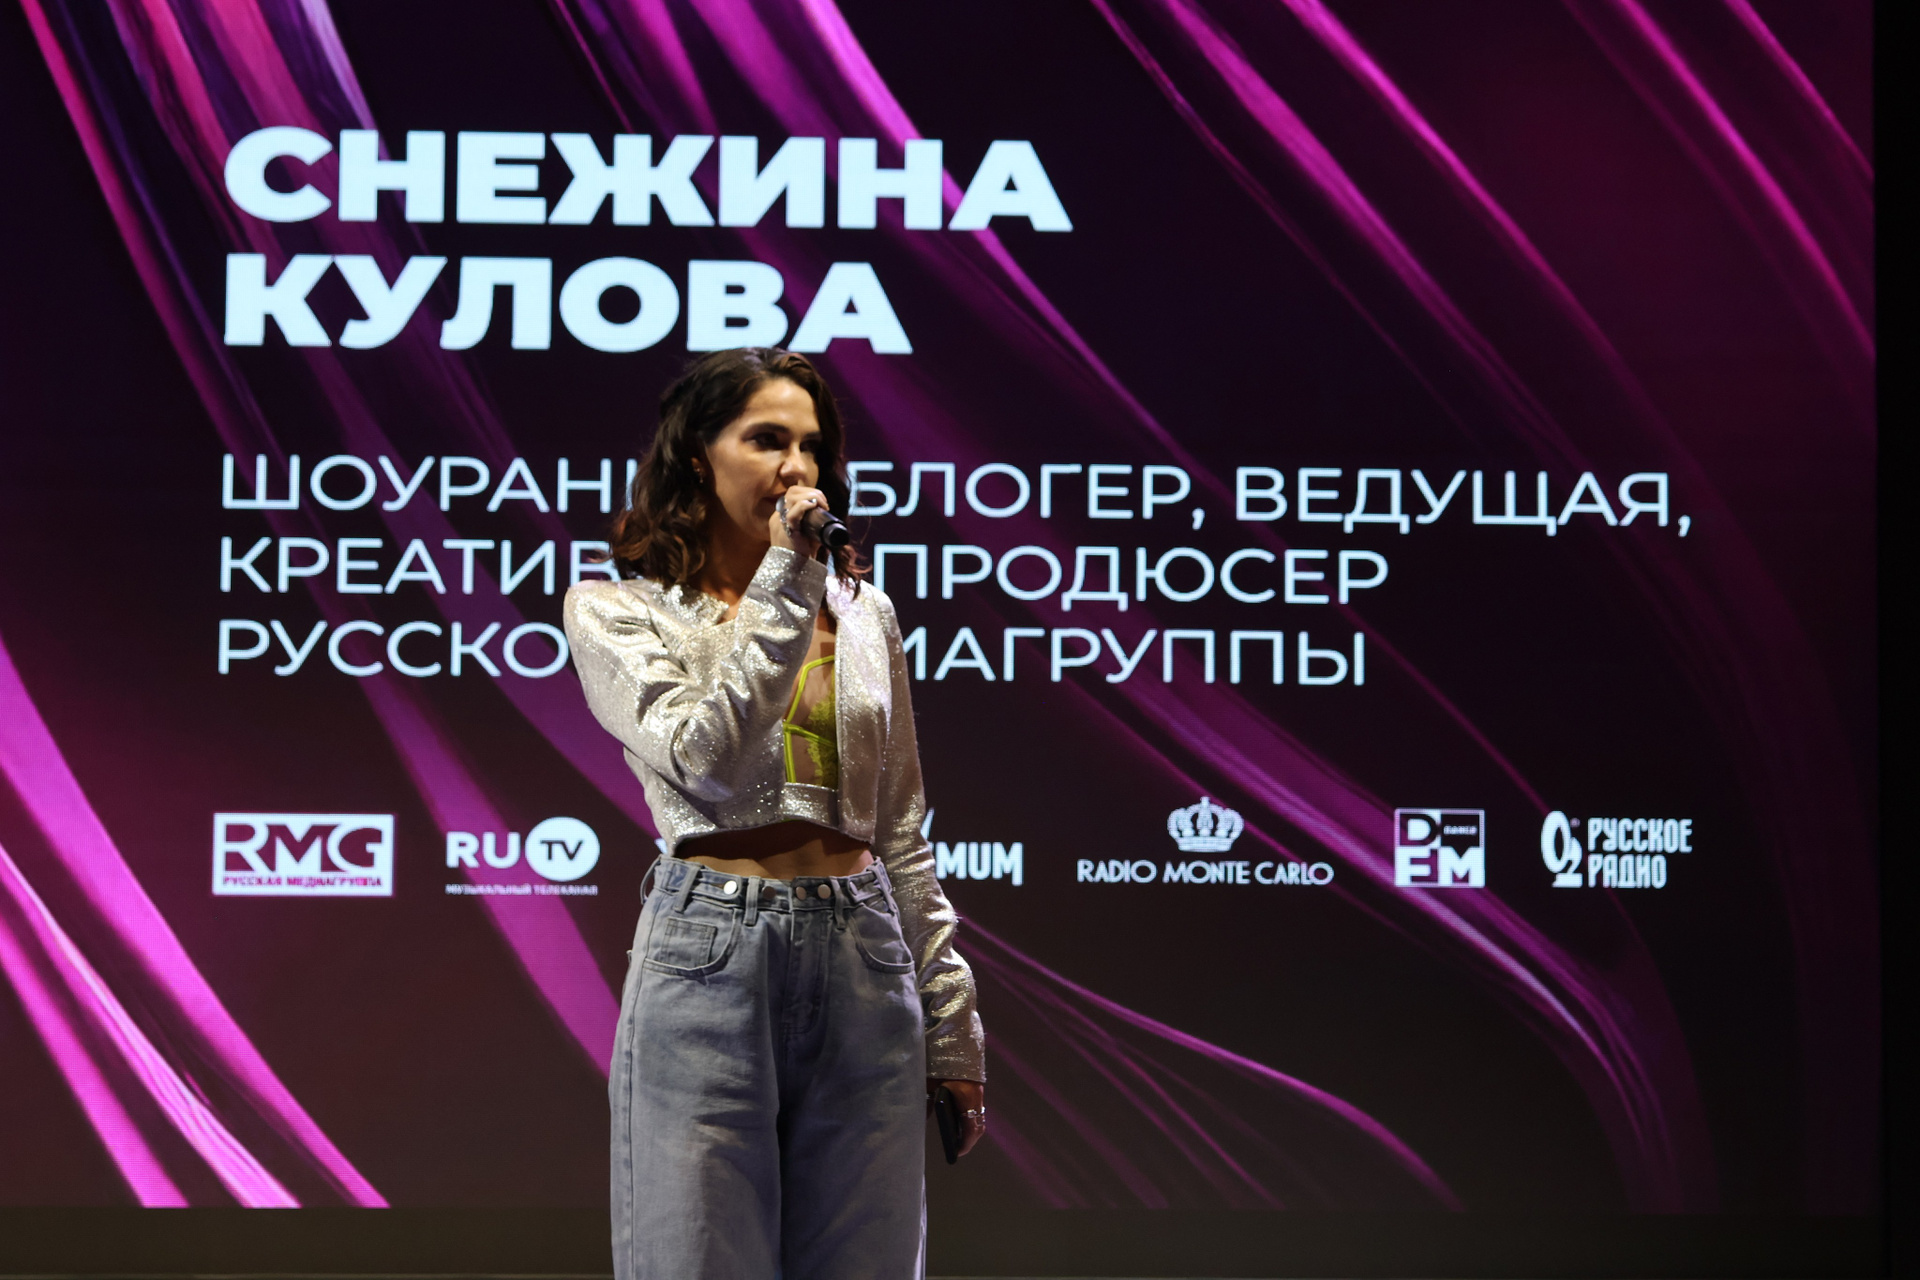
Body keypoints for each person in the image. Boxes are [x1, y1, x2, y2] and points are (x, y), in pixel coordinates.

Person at [563, 347, 986, 1280]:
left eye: (812, 446)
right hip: (707, 954)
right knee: (696, 1258)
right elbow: (707, 761)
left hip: (864, 953)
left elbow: (899, 826)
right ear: (697, 456)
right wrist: (789, 580)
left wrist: (953, 1022)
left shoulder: (865, 614)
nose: (797, 469)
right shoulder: (614, 610)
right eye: (766, 440)